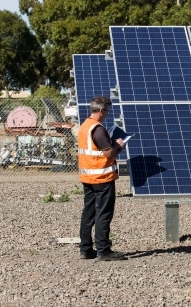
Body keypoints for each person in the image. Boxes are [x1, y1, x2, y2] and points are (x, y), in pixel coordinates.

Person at [78, 96, 126, 261]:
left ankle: (85, 249)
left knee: (88, 213)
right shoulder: (97, 129)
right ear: (100, 110)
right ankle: (103, 250)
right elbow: (108, 153)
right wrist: (118, 145)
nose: (107, 114)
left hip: (88, 177)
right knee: (103, 214)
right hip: (102, 178)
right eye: (107, 111)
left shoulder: (84, 126)